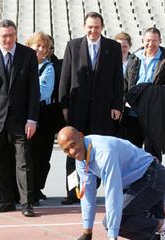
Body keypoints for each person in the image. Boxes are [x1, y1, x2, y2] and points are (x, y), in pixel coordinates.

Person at [59, 12, 124, 205]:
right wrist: (64, 105)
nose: (93, 30)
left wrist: (117, 105)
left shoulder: (112, 47)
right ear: (84, 27)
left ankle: (93, 190)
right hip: (77, 109)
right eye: (90, 27)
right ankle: (72, 192)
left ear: (102, 27)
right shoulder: (73, 46)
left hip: (103, 111)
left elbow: (117, 79)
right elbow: (65, 78)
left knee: (101, 151)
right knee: (72, 152)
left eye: (96, 27)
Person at [0, 19, 39, 217]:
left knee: (23, 161)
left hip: (21, 119)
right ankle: (6, 200)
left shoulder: (28, 55)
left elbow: (34, 90)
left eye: (11, 35)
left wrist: (32, 119)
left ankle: (26, 203)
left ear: (16, 35)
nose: (8, 39)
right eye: (4, 36)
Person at [123, 27, 165, 162]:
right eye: (148, 40)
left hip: (154, 115)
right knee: (132, 154)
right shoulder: (133, 58)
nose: (151, 44)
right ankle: (133, 183)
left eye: (154, 41)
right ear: (143, 40)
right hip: (133, 113)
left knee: (153, 155)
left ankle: (154, 182)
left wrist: (150, 91)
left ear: (160, 41)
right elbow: (125, 84)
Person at [25, 31, 56, 205]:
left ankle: (36, 190)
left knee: (40, 155)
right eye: (37, 45)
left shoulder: (48, 68)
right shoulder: (23, 63)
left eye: (44, 46)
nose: (40, 49)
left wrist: (25, 93)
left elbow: (44, 92)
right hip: (25, 114)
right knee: (27, 155)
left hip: (43, 115)